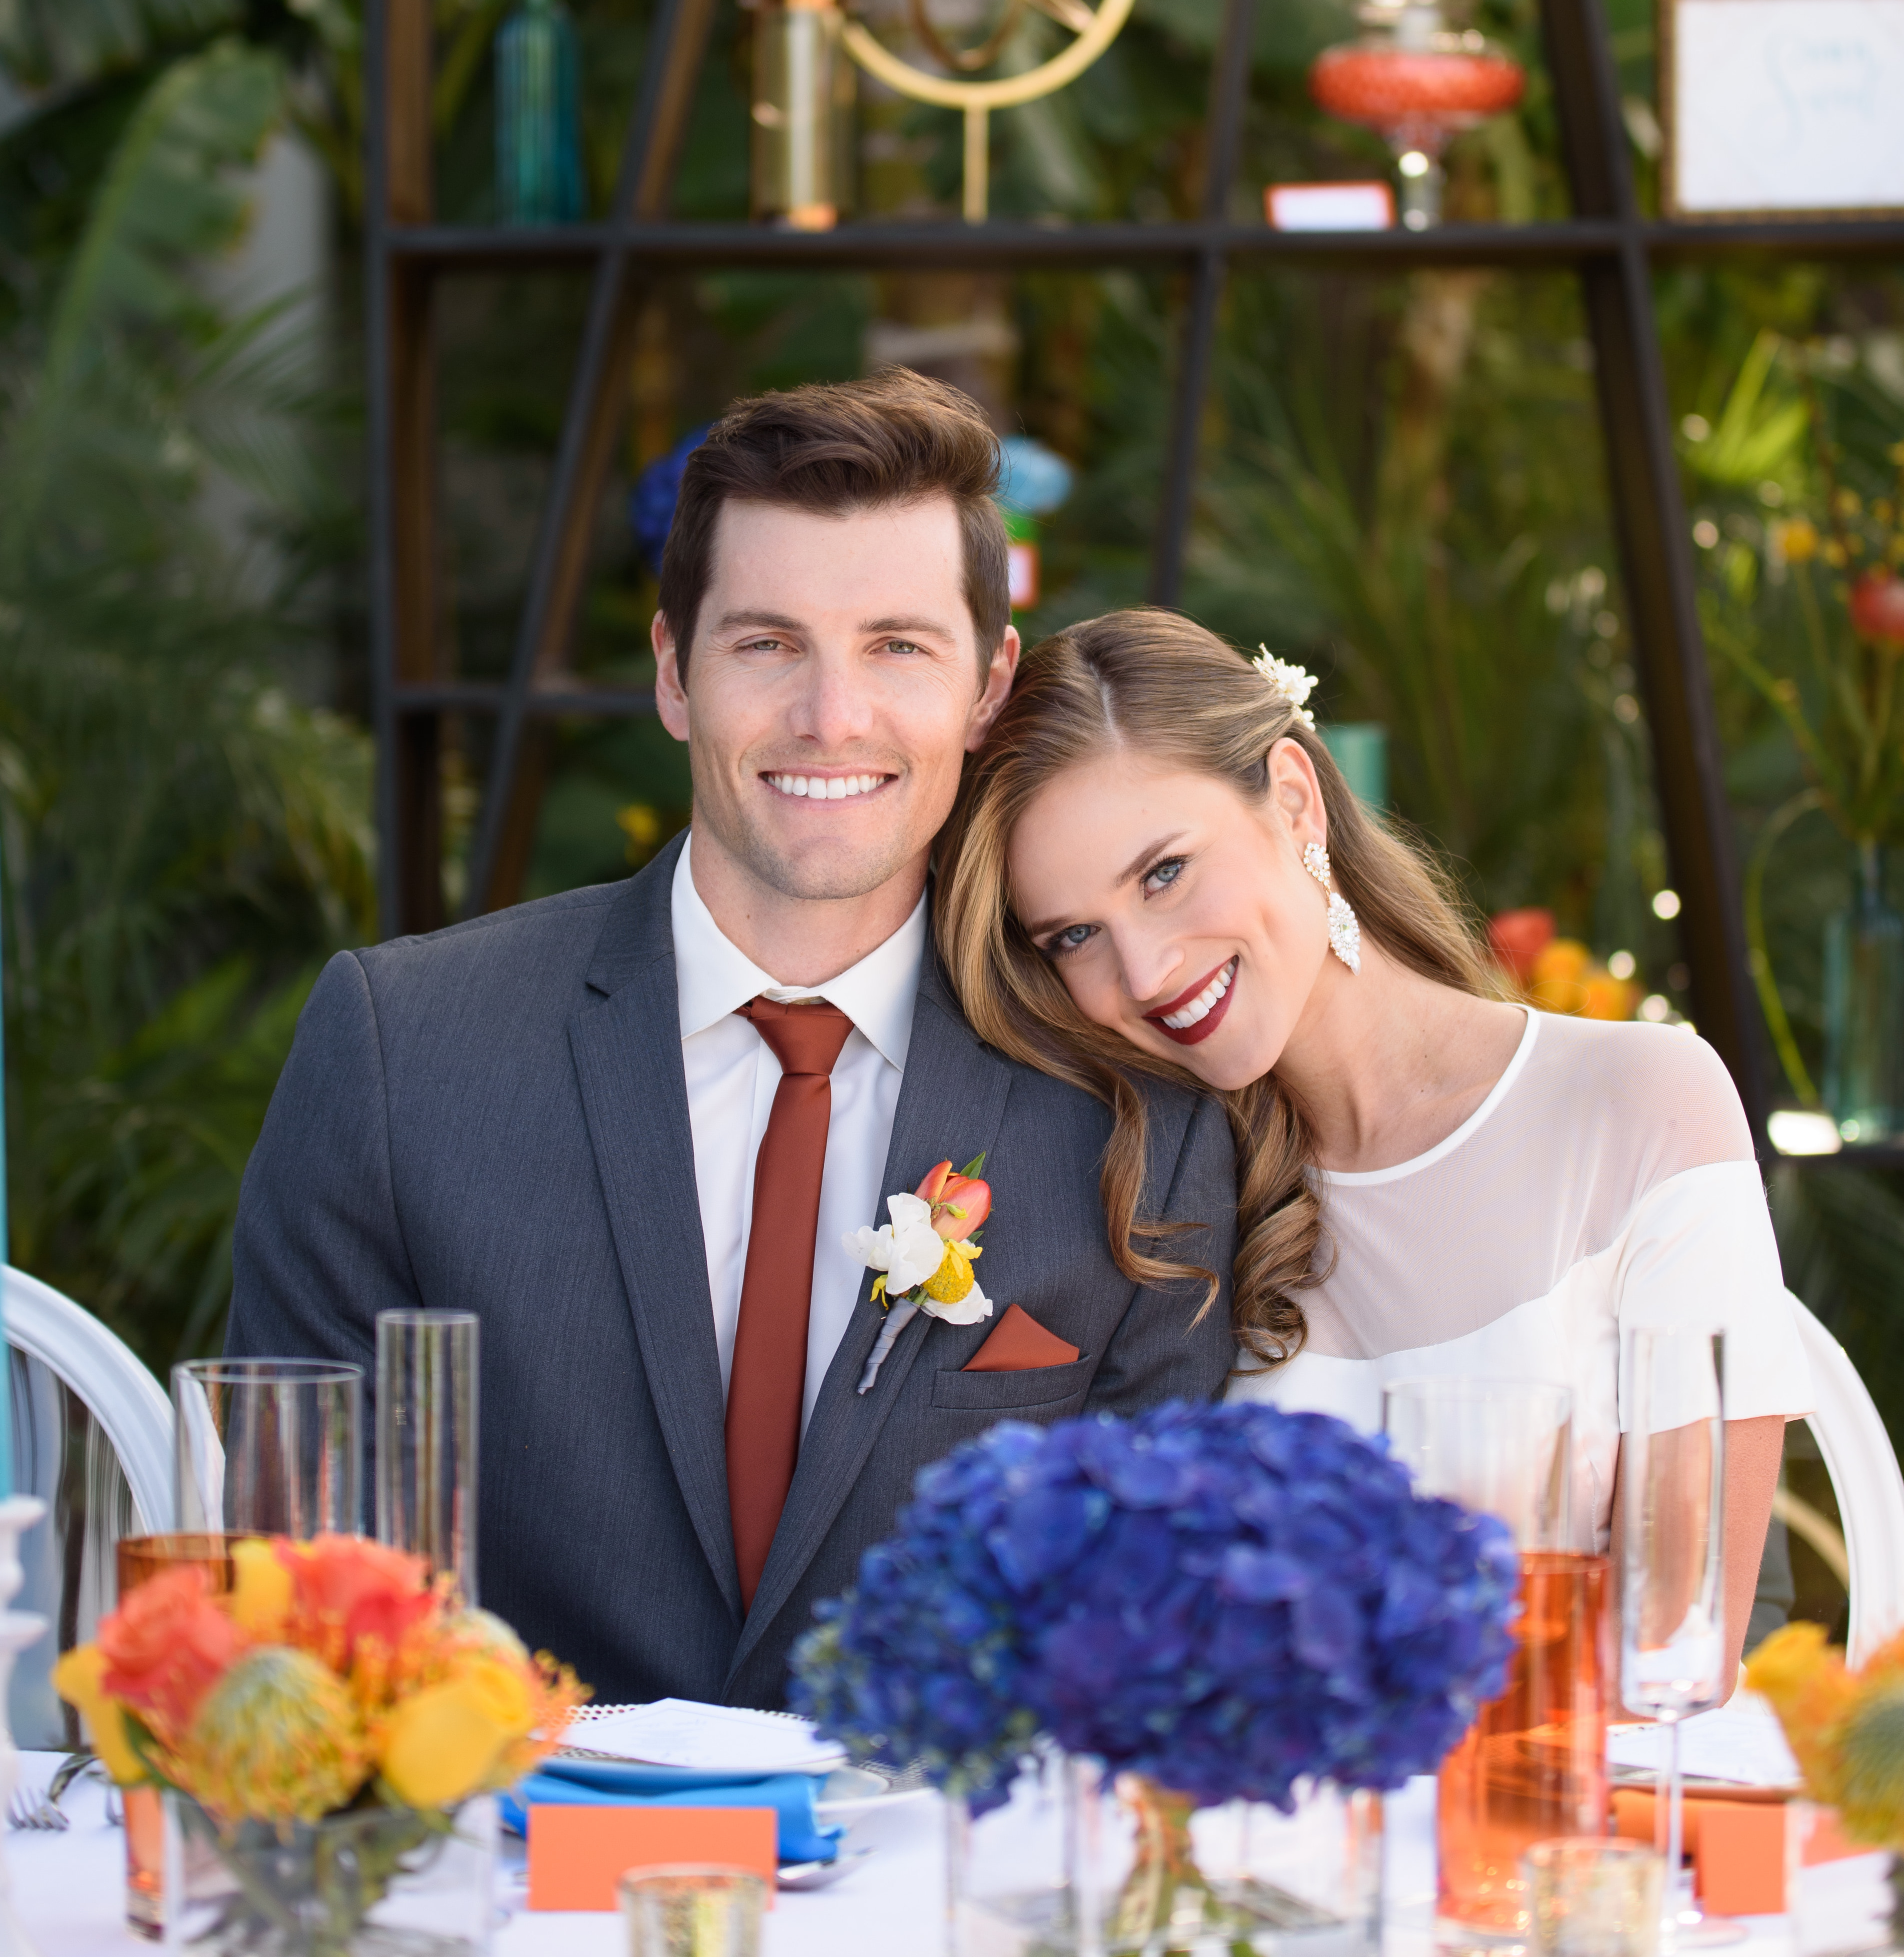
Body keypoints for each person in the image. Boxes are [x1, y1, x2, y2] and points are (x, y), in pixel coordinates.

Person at [228, 381, 1237, 1707]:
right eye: (767, 643)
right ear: (673, 673)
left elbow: (1146, 1641)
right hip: (510, 1830)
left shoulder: (1135, 1110)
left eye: (897, 646)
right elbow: (287, 1594)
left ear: (989, 686)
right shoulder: (398, 1050)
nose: (832, 714)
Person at [933, 607, 1812, 1680]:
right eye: (1074, 936)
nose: (1145, 971)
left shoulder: (1640, 1103)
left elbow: (1677, 1650)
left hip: (1555, 1780)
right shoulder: (1151, 1192)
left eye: (1163, 873)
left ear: (1293, 798)